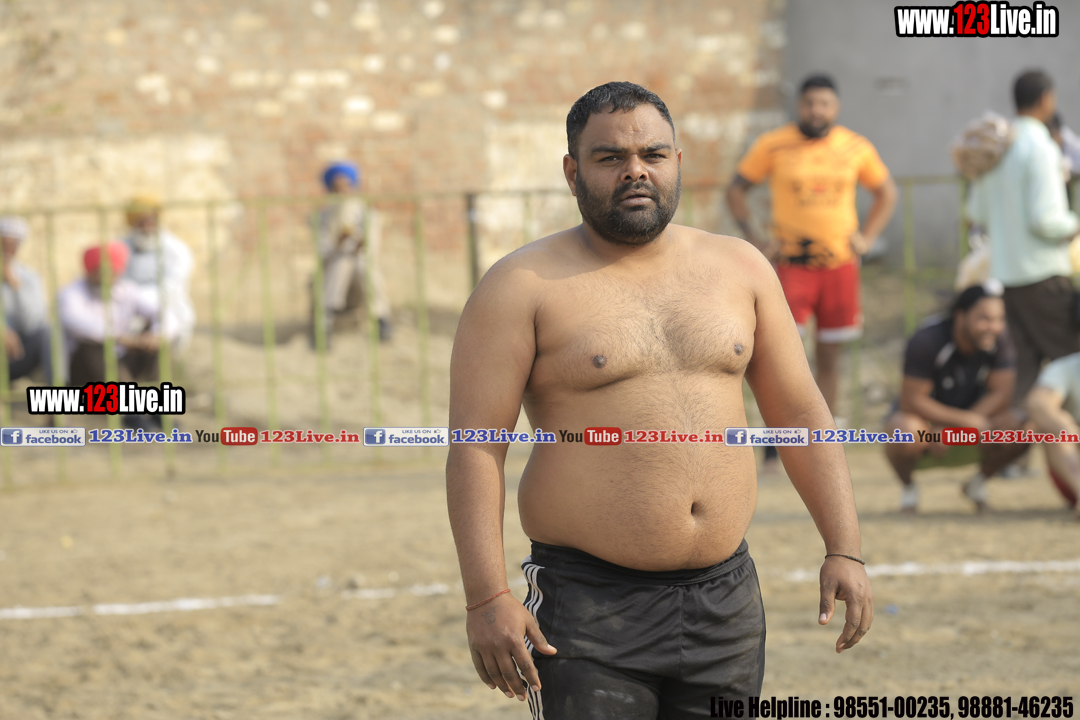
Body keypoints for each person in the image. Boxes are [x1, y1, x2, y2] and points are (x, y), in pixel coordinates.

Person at [447, 82, 872, 718]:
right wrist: (485, 597)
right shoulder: (521, 285)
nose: (635, 170)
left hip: (726, 603)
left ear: (677, 161)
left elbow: (801, 415)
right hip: (588, 608)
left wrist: (844, 546)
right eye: (610, 157)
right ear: (572, 172)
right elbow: (476, 447)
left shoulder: (741, 269)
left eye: (652, 154)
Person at [726, 74, 897, 420]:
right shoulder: (774, 144)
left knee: (830, 355)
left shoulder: (855, 147)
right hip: (792, 265)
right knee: (780, 356)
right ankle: (781, 438)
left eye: (824, 104)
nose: (816, 110)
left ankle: (824, 434)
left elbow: (887, 193)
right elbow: (735, 189)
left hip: (839, 265)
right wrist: (754, 237)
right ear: (799, 105)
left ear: (836, 107)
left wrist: (867, 238)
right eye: (809, 103)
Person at [967, 70, 1080, 405]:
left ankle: (1020, 439)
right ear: (1046, 99)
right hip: (1043, 275)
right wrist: (1074, 224)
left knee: (1025, 376)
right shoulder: (1041, 146)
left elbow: (976, 211)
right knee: (1069, 365)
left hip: (1005, 277)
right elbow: (1047, 220)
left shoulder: (999, 145)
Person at [884, 282, 1029, 512]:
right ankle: (908, 489)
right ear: (961, 317)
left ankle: (977, 485)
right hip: (927, 428)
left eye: (999, 319)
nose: (994, 327)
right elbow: (912, 400)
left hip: (973, 424)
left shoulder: (999, 338)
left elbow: (1002, 393)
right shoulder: (927, 340)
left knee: (1021, 426)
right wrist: (957, 423)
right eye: (984, 318)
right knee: (903, 430)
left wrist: (961, 425)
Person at [59, 242, 175, 430]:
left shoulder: (128, 290)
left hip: (122, 365)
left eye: (110, 272)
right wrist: (119, 337)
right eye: (99, 271)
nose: (105, 277)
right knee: (94, 345)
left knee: (157, 343)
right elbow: (77, 323)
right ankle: (130, 411)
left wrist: (155, 335)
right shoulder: (71, 293)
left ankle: (159, 408)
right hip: (85, 375)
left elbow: (166, 315)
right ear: (89, 270)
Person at [312, 162, 392, 345]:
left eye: (345, 187)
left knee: (363, 266)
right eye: (337, 188)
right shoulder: (323, 217)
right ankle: (325, 324)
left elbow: (372, 249)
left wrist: (359, 245)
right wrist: (339, 245)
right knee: (342, 263)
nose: (342, 193)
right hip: (334, 268)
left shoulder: (367, 214)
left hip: (361, 265)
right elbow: (323, 251)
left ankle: (381, 318)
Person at [120, 195, 196, 350]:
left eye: (151, 220)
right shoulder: (121, 248)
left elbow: (171, 288)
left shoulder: (176, 251)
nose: (147, 226)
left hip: (168, 311)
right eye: (141, 221)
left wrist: (137, 298)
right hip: (128, 314)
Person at [1, 216, 56, 385]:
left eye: (12, 245)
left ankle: (57, 393)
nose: (7, 250)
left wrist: (16, 287)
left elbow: (33, 323)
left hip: (17, 354)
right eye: (3, 244)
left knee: (48, 333)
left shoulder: (30, 278)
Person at [1025, 352, 1080, 518]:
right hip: (1071, 468)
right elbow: (1038, 403)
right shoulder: (1064, 368)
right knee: (1055, 430)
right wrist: (1066, 427)